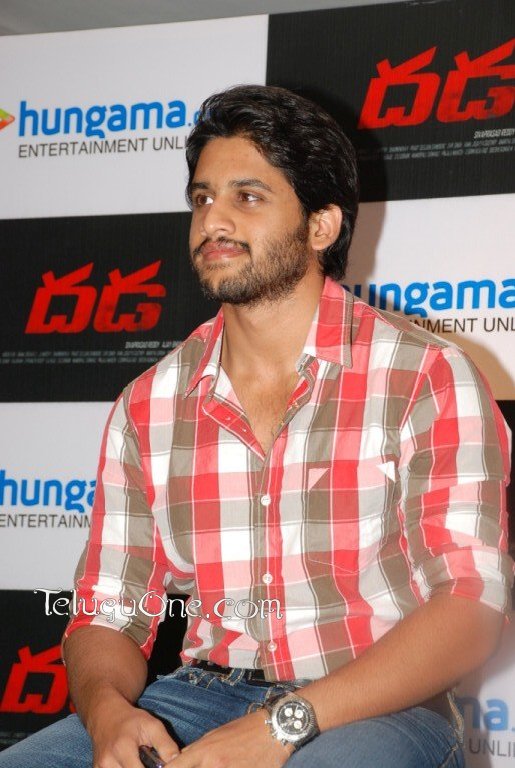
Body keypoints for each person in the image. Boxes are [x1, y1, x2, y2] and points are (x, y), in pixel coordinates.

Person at [0, 84, 512, 768]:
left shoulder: (425, 376)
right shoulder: (149, 402)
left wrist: (281, 727)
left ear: (321, 226)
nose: (212, 219)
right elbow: (106, 610)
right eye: (202, 198)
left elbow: (470, 607)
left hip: (376, 705)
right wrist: (107, 713)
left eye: (247, 196)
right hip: (198, 697)